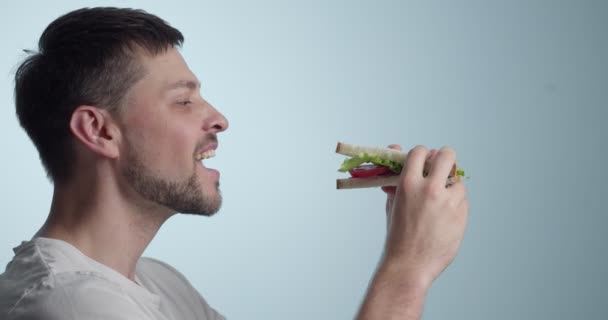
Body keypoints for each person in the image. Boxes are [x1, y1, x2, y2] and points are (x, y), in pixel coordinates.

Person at [0, 7, 468, 320]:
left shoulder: (158, 283)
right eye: (183, 101)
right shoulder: (70, 304)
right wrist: (408, 269)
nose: (219, 119)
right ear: (100, 131)